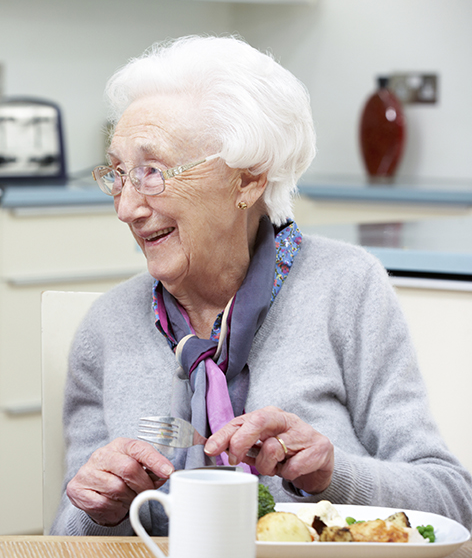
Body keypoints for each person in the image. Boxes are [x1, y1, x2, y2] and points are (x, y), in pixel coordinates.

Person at [49, 35, 472, 536]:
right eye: (119, 174)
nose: (127, 207)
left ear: (247, 181)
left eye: (153, 172)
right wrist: (101, 507)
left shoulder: (346, 288)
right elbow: (67, 535)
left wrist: (333, 475)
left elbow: (452, 500)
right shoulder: (108, 326)